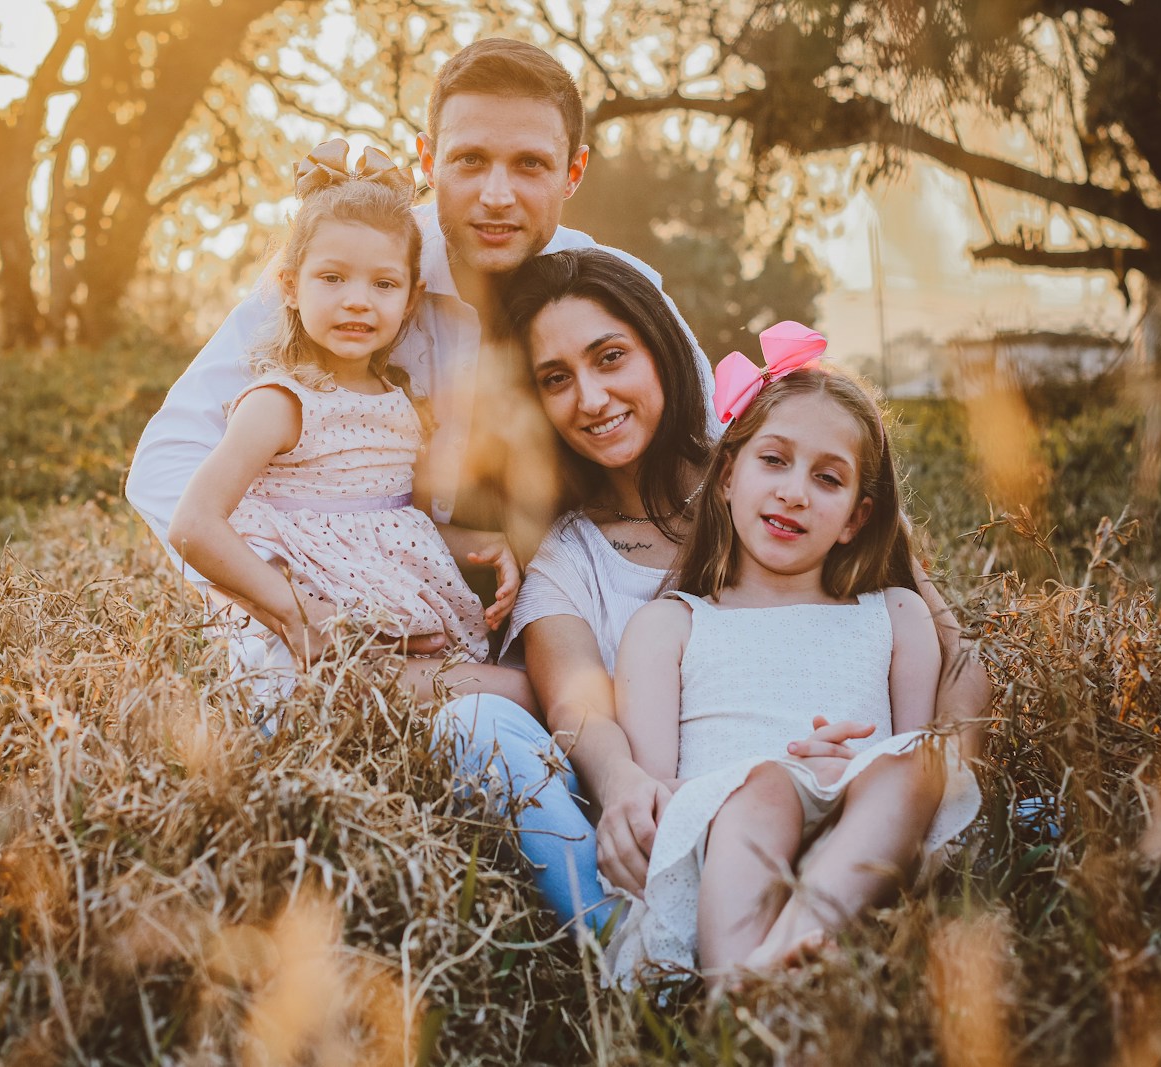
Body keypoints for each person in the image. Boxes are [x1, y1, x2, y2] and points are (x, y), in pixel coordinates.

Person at [445, 250, 991, 933]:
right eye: (556, 379)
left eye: (610, 357)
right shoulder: (569, 555)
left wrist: (924, 783)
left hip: (853, 804)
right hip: (678, 812)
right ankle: (641, 944)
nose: (590, 398)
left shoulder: (785, 481)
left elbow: (957, 654)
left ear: (661, 352)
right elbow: (574, 700)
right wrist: (622, 784)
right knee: (471, 723)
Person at [125, 37, 715, 640]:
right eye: (470, 160)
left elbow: (707, 452)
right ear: (428, 160)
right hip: (331, 614)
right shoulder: (350, 269)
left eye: (530, 164)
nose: (497, 196)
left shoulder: (614, 295)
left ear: (573, 172)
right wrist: (289, 605)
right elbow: (169, 461)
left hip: (554, 623)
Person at [602, 331, 981, 988]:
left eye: (827, 477)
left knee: (914, 759)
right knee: (768, 788)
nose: (795, 492)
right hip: (730, 840)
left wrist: (853, 768)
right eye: (774, 460)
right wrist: (779, 768)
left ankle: (781, 953)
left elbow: (912, 760)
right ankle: (744, 968)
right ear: (727, 477)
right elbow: (658, 799)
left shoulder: (895, 614)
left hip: (857, 846)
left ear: (856, 518)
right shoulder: (671, 624)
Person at [168, 141, 532, 708]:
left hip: (389, 635)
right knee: (518, 693)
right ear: (290, 286)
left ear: (411, 299)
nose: (358, 302)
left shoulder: (399, 402)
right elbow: (193, 524)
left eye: (383, 285)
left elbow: (387, 520)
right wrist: (301, 619)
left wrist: (476, 544)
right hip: (314, 650)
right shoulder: (282, 403)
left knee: (514, 692)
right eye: (333, 278)